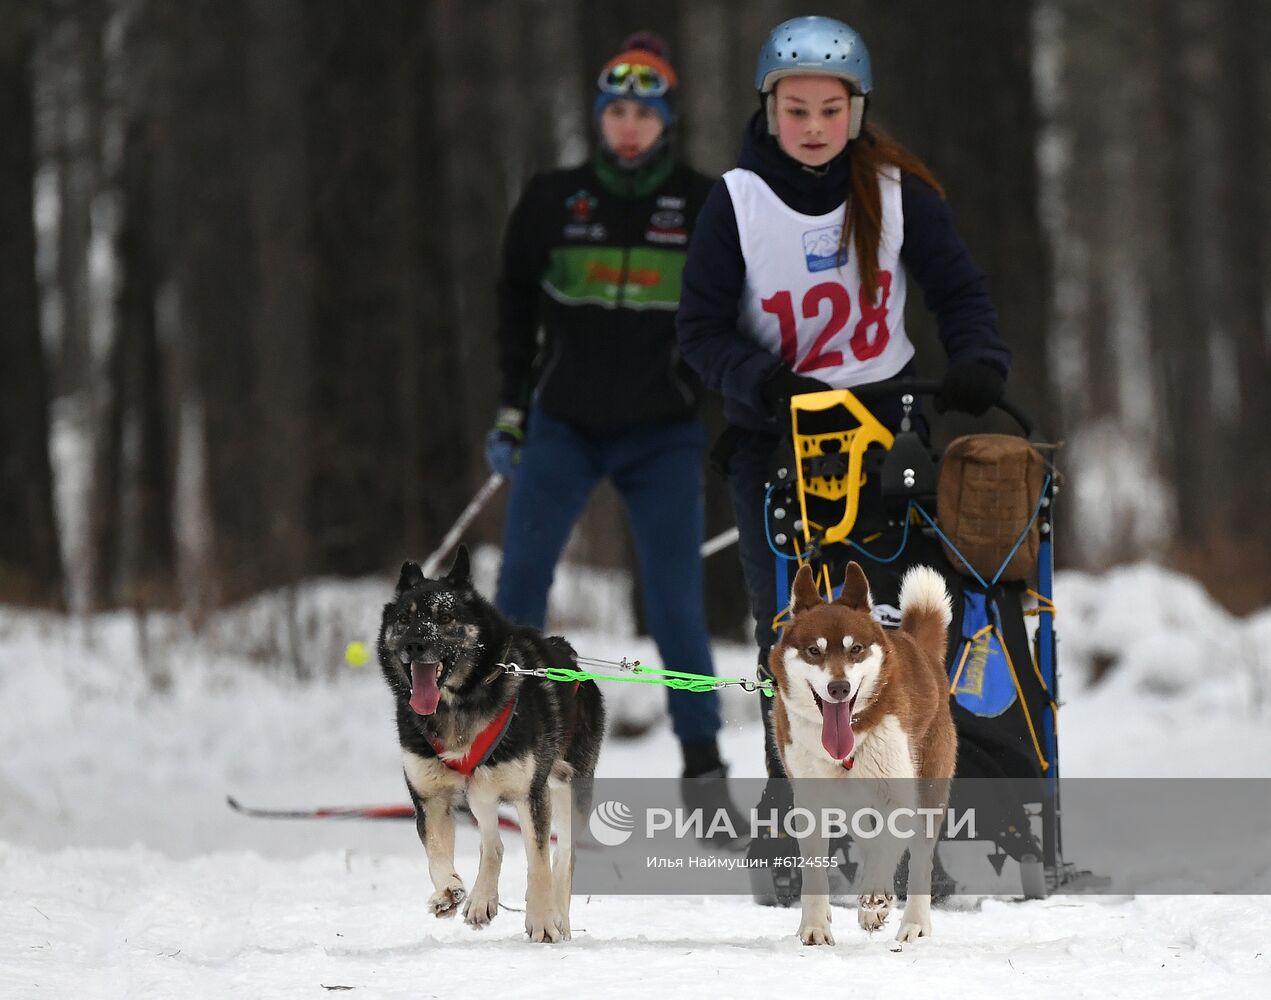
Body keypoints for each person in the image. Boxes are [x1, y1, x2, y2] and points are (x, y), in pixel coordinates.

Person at [676, 15, 1011, 886]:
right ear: (769, 108)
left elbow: (959, 292)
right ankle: (793, 833)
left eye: (831, 108)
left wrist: (978, 360)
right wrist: (760, 379)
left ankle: (904, 844)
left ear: (856, 111)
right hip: (776, 440)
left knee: (888, 636)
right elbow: (700, 330)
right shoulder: (737, 201)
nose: (814, 125)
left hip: (886, 435)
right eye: (797, 109)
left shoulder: (899, 193)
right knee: (783, 634)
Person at [485, 32, 740, 814]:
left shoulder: (703, 203)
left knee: (672, 605)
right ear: (600, 117)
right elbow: (513, 304)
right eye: (616, 110)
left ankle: (703, 777)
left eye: (645, 111)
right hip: (563, 425)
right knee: (520, 587)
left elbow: (731, 313)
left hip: (660, 433)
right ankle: (495, 755)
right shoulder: (554, 199)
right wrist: (512, 408)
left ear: (667, 119)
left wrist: (715, 407)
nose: (629, 125)